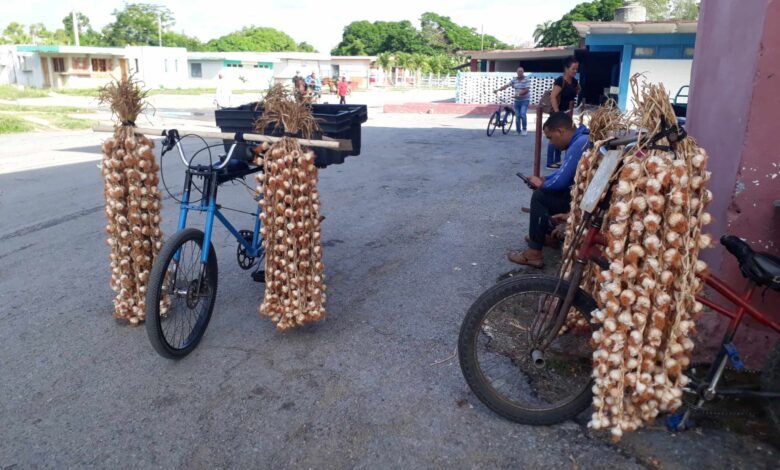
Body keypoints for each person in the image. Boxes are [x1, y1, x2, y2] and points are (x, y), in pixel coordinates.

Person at [508, 112, 590, 268]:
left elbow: (561, 182)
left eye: (550, 138)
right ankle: (547, 235)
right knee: (545, 189)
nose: (551, 143)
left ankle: (533, 253)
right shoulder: (580, 139)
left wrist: (541, 184)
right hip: (582, 196)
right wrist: (545, 179)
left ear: (560, 131)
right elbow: (564, 172)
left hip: (581, 201)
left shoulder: (580, 143)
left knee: (540, 196)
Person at [546, 57, 581, 168]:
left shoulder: (574, 82)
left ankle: (558, 160)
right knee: (554, 136)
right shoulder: (560, 81)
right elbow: (553, 97)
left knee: (564, 137)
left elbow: (577, 91)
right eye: (573, 69)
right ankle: (550, 162)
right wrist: (557, 114)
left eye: (576, 69)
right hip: (557, 114)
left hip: (566, 114)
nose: (575, 71)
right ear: (566, 68)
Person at [494, 67, 530, 135]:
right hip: (517, 101)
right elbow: (507, 85)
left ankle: (524, 129)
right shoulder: (514, 79)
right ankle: (518, 131)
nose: (520, 73)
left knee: (522, 114)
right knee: (517, 116)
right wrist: (498, 90)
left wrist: (518, 94)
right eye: (519, 71)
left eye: (521, 71)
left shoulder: (526, 79)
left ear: (523, 72)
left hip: (525, 100)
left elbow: (526, 90)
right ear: (517, 72)